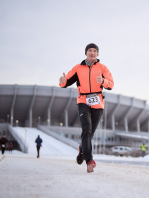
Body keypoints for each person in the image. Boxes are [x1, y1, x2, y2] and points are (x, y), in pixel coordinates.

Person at [59, 43, 114, 173]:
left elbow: (111, 85)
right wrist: (62, 81)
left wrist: (103, 82)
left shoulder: (103, 68)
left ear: (97, 54)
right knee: (86, 129)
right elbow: (66, 82)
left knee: (90, 133)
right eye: (90, 50)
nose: (92, 53)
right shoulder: (78, 68)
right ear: (86, 53)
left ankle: (82, 149)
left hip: (98, 102)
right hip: (83, 100)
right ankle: (89, 160)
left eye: (95, 51)